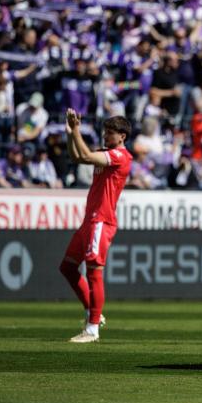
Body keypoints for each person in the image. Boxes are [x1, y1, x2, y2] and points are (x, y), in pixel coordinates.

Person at [59, 110, 132, 343]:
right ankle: (94, 314)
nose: (105, 136)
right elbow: (78, 157)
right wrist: (71, 134)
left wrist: (76, 130)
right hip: (89, 220)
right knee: (68, 267)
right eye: (105, 132)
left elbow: (86, 156)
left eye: (110, 133)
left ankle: (92, 329)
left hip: (102, 220)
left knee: (93, 272)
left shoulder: (121, 156)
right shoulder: (107, 153)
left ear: (122, 136)